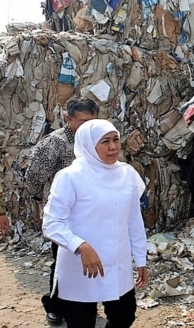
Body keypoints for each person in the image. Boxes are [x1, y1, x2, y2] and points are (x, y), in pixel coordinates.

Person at [42, 119, 148, 328]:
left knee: (124, 317)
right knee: (81, 322)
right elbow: (51, 223)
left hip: (117, 264)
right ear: (88, 145)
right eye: (105, 141)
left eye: (116, 139)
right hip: (81, 267)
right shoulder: (70, 177)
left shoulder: (127, 174)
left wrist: (141, 258)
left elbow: (134, 220)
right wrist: (80, 246)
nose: (113, 147)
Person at [25, 97, 99, 324]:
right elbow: (33, 177)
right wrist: (43, 199)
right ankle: (55, 305)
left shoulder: (95, 140)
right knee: (63, 263)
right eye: (83, 121)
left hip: (90, 213)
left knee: (89, 260)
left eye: (92, 121)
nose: (88, 127)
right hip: (64, 216)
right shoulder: (54, 143)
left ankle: (85, 304)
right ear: (69, 119)